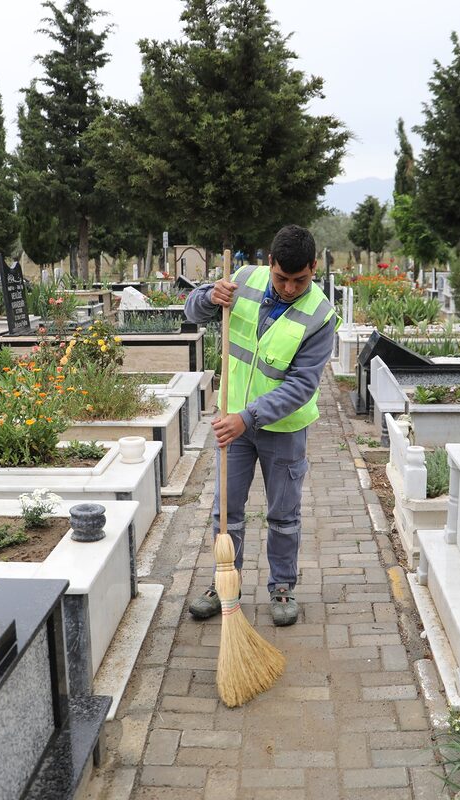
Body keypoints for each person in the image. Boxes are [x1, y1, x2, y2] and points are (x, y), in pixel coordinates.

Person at [184, 225, 340, 626]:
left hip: (282, 430)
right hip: (232, 421)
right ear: (268, 263)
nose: (289, 288)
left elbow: (302, 386)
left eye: (300, 280)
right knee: (226, 512)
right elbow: (192, 310)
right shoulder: (243, 280)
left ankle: (282, 585)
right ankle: (225, 583)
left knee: (284, 515)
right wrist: (207, 297)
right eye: (282, 278)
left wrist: (247, 418)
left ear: (313, 267)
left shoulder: (321, 316)